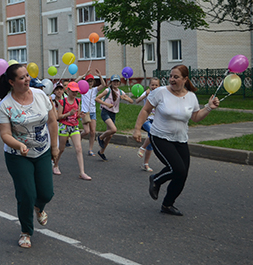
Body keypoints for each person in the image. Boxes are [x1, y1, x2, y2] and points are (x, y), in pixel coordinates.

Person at [134, 65, 219, 216]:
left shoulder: (191, 96)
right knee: (178, 169)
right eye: (171, 76)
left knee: (182, 174)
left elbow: (195, 117)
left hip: (180, 139)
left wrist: (209, 107)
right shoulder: (160, 92)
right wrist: (137, 128)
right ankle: (156, 179)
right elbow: (146, 110)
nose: (172, 79)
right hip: (159, 136)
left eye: (176, 77)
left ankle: (167, 205)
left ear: (185, 79)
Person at [0, 64, 58, 249]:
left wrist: (54, 147)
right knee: (26, 194)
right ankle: (26, 231)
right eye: (22, 78)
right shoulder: (6, 104)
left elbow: (53, 121)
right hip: (18, 155)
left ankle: (39, 207)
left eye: (27, 76)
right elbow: (5, 134)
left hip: (42, 150)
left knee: (47, 192)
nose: (27, 79)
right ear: (11, 82)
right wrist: (19, 144)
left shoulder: (40, 95)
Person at [54, 82, 91, 180]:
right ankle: (55, 165)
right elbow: (59, 116)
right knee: (61, 149)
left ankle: (82, 172)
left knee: (79, 148)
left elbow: (76, 115)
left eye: (76, 91)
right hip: (64, 126)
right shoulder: (63, 102)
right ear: (68, 91)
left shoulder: (78, 101)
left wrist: (80, 116)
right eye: (73, 91)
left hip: (74, 126)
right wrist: (68, 114)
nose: (75, 93)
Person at [94, 74, 133, 161]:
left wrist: (125, 98)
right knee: (113, 129)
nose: (115, 83)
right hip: (105, 112)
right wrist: (106, 104)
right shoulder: (107, 90)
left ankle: (101, 152)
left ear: (119, 83)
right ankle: (100, 137)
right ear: (111, 82)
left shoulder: (120, 92)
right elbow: (97, 99)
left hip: (113, 114)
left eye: (117, 81)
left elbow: (131, 101)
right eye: (114, 81)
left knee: (110, 135)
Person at [76, 69, 106, 156]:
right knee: (86, 131)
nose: (90, 83)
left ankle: (90, 149)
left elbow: (103, 85)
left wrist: (100, 76)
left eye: (91, 81)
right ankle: (78, 138)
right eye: (88, 81)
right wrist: (83, 75)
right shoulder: (82, 89)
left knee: (93, 132)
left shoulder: (95, 90)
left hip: (92, 112)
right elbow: (75, 83)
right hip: (85, 112)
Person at [134, 77, 161, 172]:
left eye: (156, 85)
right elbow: (137, 101)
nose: (154, 86)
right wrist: (145, 95)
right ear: (149, 85)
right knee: (153, 132)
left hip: (155, 120)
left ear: (159, 86)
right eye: (152, 85)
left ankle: (145, 164)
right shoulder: (147, 92)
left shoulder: (160, 95)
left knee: (151, 142)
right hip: (146, 120)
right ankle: (142, 147)